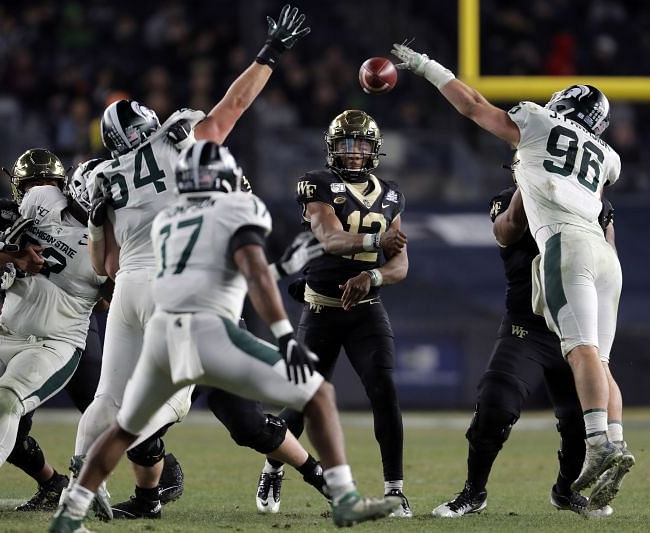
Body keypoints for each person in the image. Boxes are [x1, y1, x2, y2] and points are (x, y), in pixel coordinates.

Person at [49, 140, 401, 532]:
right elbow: (253, 274)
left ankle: (70, 513)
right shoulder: (236, 208)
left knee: (126, 426)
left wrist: (283, 266)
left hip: (164, 337)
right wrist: (285, 334)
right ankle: (345, 498)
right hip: (210, 335)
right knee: (317, 393)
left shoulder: (167, 220)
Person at [70, 4, 314, 520]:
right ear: (152, 123)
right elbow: (235, 104)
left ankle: (82, 484)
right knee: (168, 403)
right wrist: (270, 54)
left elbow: (105, 267)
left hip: (131, 289)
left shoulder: (103, 178)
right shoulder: (182, 139)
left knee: (108, 398)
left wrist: (96, 222)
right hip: (183, 290)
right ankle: (146, 483)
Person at [392, 43, 634, 508]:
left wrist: (427, 66)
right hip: (601, 264)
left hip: (570, 249)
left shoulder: (537, 125)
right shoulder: (605, 159)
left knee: (583, 356)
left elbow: (473, 105)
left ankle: (602, 448)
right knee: (598, 366)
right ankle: (613, 441)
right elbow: (519, 226)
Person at [432, 185, 622, 518]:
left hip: (573, 329)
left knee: (582, 420)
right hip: (527, 328)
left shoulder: (595, 203)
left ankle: (565, 491)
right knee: (496, 403)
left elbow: (608, 263)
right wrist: (529, 182)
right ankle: (474, 492)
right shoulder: (511, 197)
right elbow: (507, 232)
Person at [256, 109, 411, 517]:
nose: (354, 153)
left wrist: (373, 278)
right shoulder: (317, 183)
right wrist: (378, 237)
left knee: (384, 391)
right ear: (332, 148)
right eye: (346, 145)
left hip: (366, 310)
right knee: (303, 402)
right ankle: (274, 465)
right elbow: (328, 237)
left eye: (361, 146)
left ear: (374, 149)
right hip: (321, 309)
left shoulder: (392, 193)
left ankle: (396, 491)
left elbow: (400, 265)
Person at [0, 149, 108, 514]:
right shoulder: (41, 199)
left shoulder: (108, 240)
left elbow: (116, 298)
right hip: (5, 331)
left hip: (56, 343)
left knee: (7, 399)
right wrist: (7, 261)